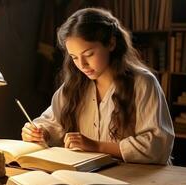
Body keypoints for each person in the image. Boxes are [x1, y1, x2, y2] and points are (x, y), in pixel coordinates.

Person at [21, 7, 174, 164]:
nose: (82, 65)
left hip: (140, 179)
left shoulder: (142, 83)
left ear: (111, 43)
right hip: (89, 176)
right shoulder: (74, 87)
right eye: (74, 57)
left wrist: (96, 146)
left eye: (89, 54)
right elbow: (51, 123)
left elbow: (158, 145)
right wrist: (40, 132)